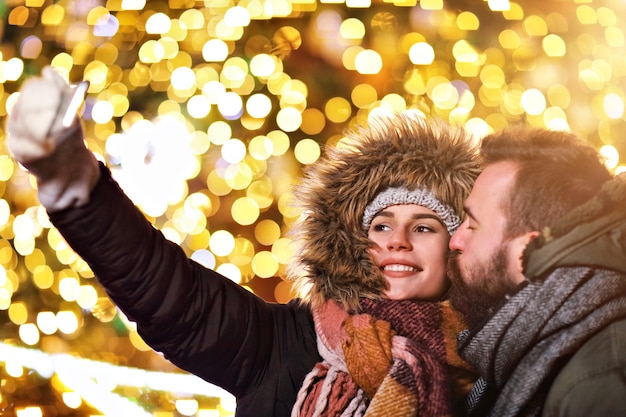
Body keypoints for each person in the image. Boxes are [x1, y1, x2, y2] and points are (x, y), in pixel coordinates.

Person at [6, 67, 478, 417]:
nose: (397, 240)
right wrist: (78, 187)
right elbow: (171, 295)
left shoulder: (490, 364)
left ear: (456, 245)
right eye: (379, 225)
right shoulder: (283, 342)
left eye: (423, 227)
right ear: (353, 244)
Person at [447, 125, 626, 417]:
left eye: (473, 225)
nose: (455, 240)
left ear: (525, 252)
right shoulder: (523, 343)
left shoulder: (601, 380)